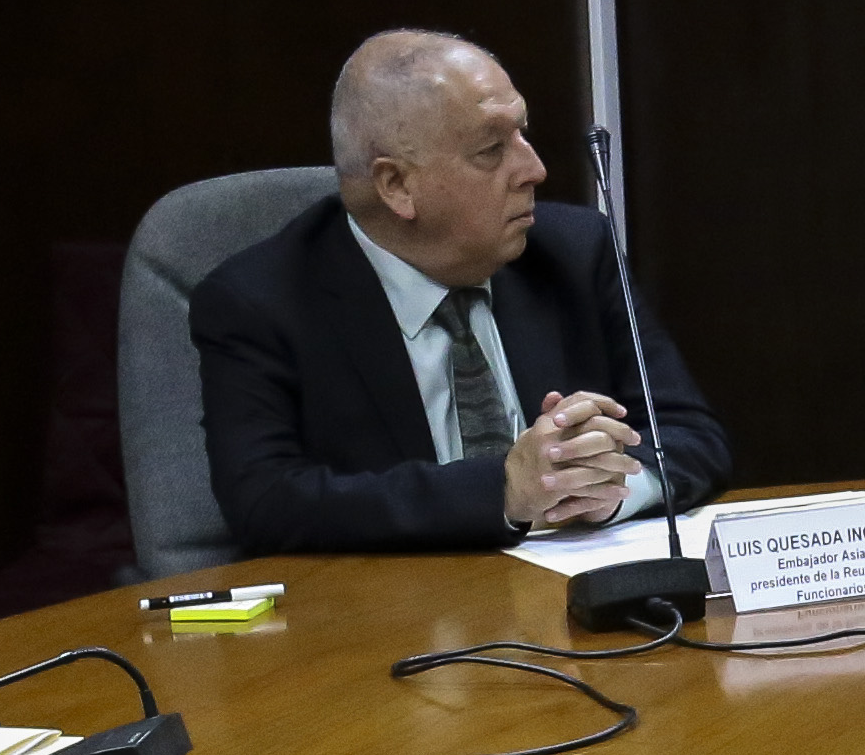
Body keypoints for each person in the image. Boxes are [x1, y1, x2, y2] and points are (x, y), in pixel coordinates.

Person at [187, 29, 732, 555]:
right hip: (393, 624)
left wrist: (603, 489)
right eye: (492, 150)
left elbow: (690, 434)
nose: (534, 169)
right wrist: (503, 491)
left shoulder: (572, 252)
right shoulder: (260, 302)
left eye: (524, 133)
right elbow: (265, 502)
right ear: (397, 185)